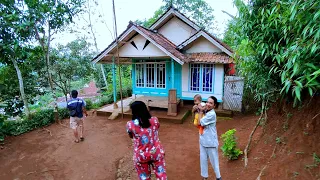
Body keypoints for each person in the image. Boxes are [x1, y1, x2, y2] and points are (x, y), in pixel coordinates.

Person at [126, 101, 167, 180]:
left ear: (133, 111)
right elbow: (156, 128)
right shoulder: (155, 120)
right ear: (145, 109)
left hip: (141, 155)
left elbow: (131, 136)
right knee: (161, 175)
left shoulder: (130, 124)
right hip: (156, 153)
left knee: (144, 177)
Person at [198, 96, 222, 180]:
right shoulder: (207, 112)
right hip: (203, 141)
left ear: (214, 106)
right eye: (207, 102)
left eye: (211, 103)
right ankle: (204, 177)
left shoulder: (212, 114)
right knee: (203, 161)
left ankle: (218, 178)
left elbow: (200, 123)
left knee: (214, 161)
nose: (208, 104)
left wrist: (200, 111)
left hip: (211, 142)